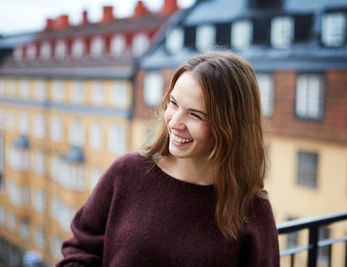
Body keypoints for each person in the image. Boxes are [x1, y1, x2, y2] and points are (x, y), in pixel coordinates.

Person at [56, 52, 280, 267]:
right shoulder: (127, 172)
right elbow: (81, 248)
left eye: (195, 114)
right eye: (173, 103)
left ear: (230, 127)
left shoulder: (251, 209)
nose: (174, 122)